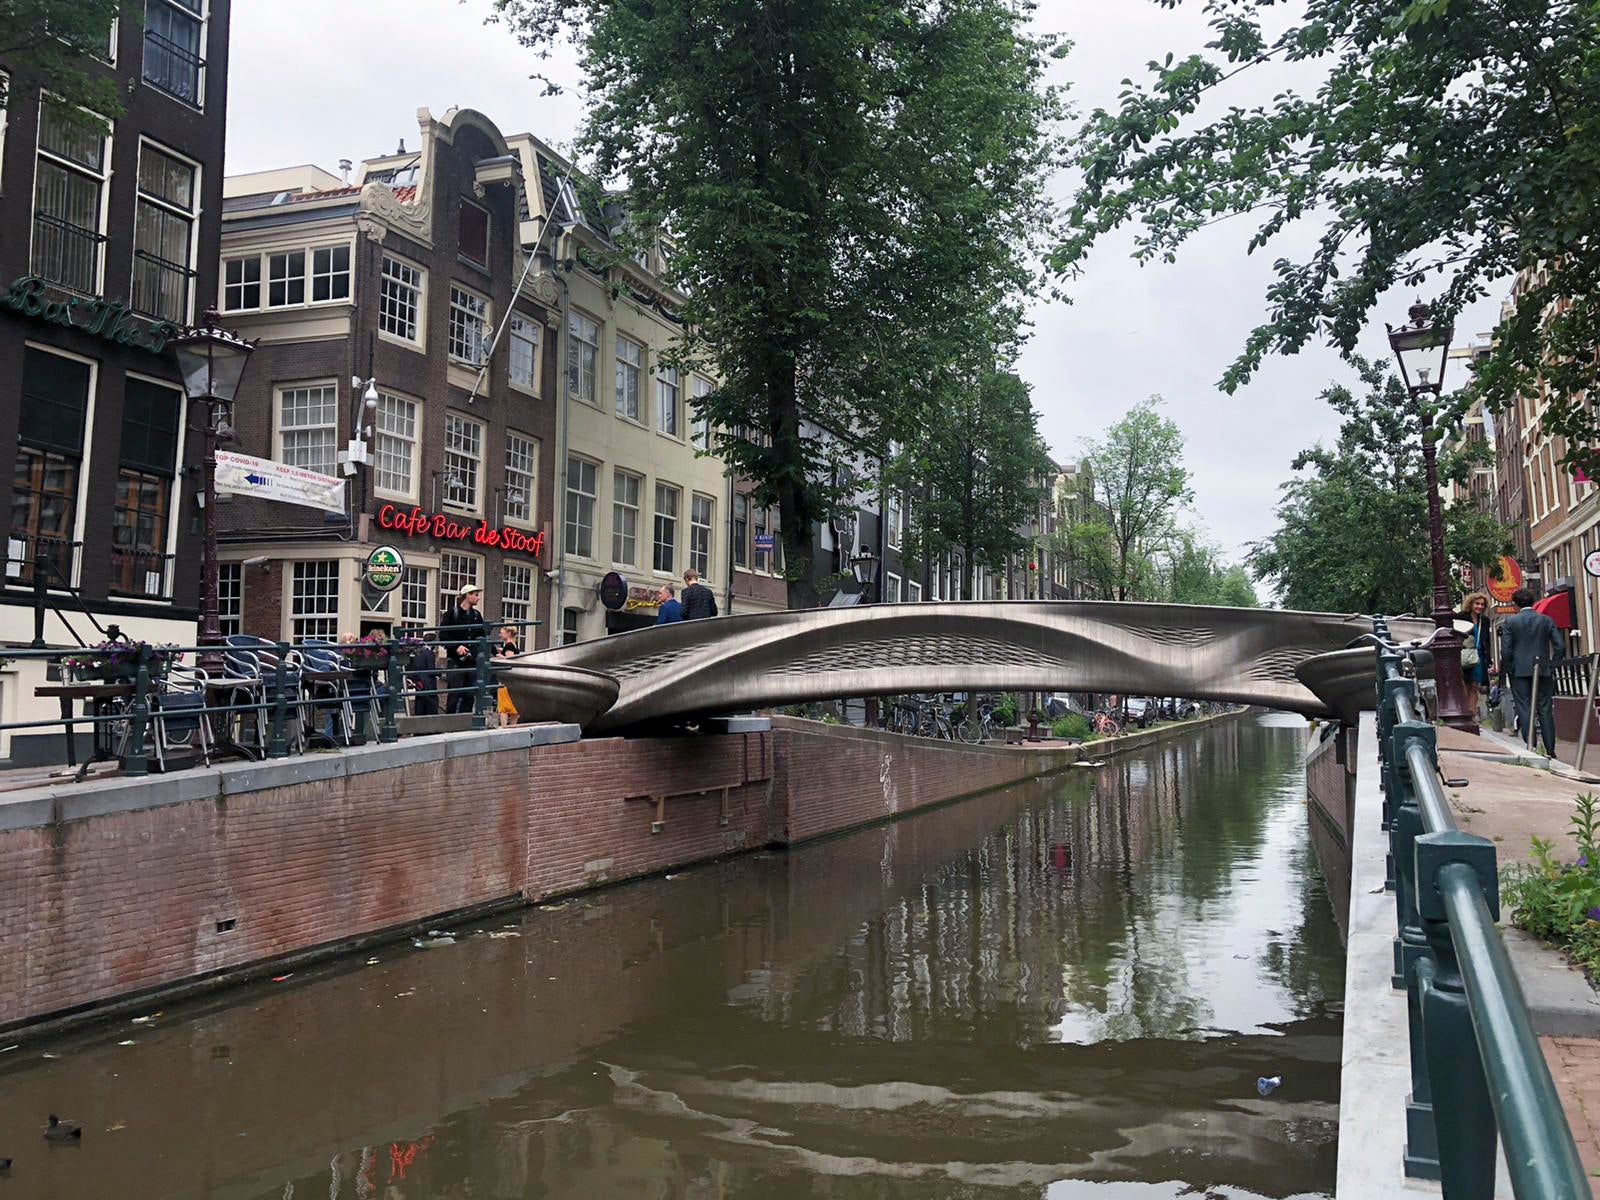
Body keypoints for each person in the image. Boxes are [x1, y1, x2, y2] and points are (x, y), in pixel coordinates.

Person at [1500, 586, 1563, 756]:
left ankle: (1532, 746)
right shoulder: (1546, 620)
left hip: (1519, 671)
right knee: (1545, 707)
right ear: (1533, 602)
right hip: (1543, 670)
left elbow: (1505, 650)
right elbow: (1560, 646)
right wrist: (1552, 665)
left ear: (1515, 604)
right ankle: (1550, 749)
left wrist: (1510, 668)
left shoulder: (1510, 622)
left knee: (1524, 707)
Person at [438, 584, 488, 714]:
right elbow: (443, 635)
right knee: (454, 692)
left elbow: (482, 636)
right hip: (456, 660)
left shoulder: (476, 615)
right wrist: (456, 647)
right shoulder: (451, 613)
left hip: (471, 660)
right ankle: (450, 722)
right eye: (476, 595)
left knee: (470, 693)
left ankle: (465, 722)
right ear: (468, 595)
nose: (478, 598)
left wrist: (495, 651)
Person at [1454, 590, 1492, 713]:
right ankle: (1464, 711)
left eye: (1482, 604)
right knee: (1465, 683)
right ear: (1471, 604)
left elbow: (1487, 640)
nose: (1479, 607)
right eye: (1477, 603)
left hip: (1479, 656)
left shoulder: (1484, 620)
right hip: (1465, 655)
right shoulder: (1461, 617)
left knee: (1475, 685)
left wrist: (1488, 658)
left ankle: (1472, 714)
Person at [494, 625, 520, 724]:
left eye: (502, 632)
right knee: (513, 706)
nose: (500, 634)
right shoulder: (514, 645)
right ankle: (513, 727)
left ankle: (505, 728)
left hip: (505, 680)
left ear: (508, 633)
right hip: (512, 680)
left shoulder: (509, 646)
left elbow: (510, 661)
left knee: (504, 707)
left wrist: (500, 656)